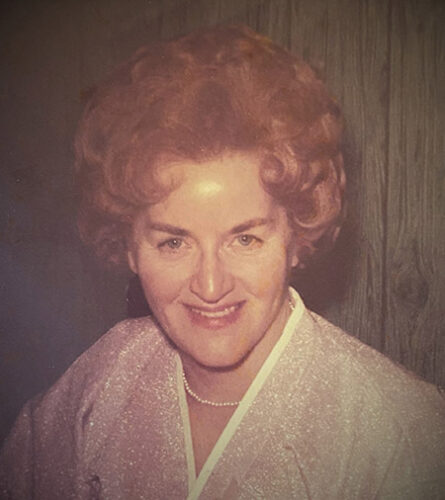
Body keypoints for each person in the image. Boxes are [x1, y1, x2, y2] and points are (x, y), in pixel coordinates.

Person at [1, 25, 444, 500]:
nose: (210, 287)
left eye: (245, 239)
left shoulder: (404, 434)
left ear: (297, 235)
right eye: (174, 243)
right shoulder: (102, 380)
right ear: (129, 246)